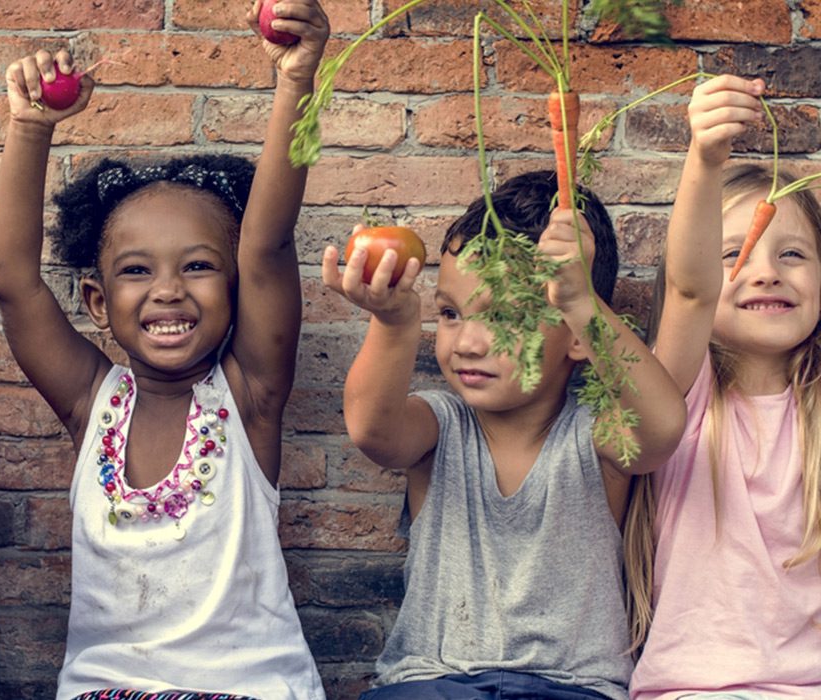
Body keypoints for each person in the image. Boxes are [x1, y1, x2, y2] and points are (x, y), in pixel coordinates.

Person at [0, 2, 329, 698]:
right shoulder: (93, 402)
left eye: (199, 267)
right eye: (136, 272)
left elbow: (266, 245)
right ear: (95, 303)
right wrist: (28, 127)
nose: (168, 291)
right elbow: (14, 285)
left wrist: (296, 82)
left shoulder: (250, 395)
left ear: (237, 291)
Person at [322, 171, 687, 700]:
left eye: (504, 317)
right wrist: (395, 322)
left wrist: (584, 304)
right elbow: (372, 430)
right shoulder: (439, 425)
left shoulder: (597, 434)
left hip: (572, 689)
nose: (467, 342)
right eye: (450, 314)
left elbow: (661, 428)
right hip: (433, 683)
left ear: (577, 337)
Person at [627, 75, 821, 699]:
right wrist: (705, 158)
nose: (765, 272)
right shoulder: (682, 391)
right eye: (735, 254)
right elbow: (689, 289)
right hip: (696, 691)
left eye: (792, 254)